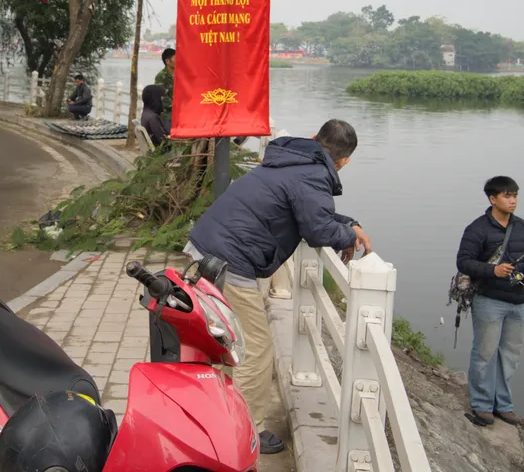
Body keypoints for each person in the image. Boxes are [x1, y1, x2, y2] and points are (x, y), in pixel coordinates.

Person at [185, 119, 371, 454]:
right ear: (345, 161)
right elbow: (318, 230)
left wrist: (348, 224)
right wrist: (348, 234)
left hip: (209, 248)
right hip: (230, 260)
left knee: (228, 343)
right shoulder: (313, 174)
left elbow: (308, 212)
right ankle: (243, 435)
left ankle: (218, 420)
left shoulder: (291, 160)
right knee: (256, 349)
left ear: (314, 138)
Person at [456, 176, 524, 427]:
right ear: (493, 199)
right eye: (507, 196)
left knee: (510, 355)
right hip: (488, 300)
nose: (513, 200)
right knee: (485, 353)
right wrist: (492, 270)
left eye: (515, 195)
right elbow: (464, 261)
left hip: (518, 302)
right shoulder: (477, 229)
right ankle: (482, 405)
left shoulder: (523, 227)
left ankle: (503, 405)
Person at [139, 84, 169, 150]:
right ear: (156, 99)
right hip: (161, 152)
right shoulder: (153, 118)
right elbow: (163, 141)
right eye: (162, 98)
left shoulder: (146, 113)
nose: (164, 102)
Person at [154, 48, 175, 130]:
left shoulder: (180, 74)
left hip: (181, 114)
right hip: (167, 115)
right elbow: (162, 96)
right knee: (169, 135)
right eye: (175, 58)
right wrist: (174, 106)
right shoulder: (161, 76)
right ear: (167, 61)